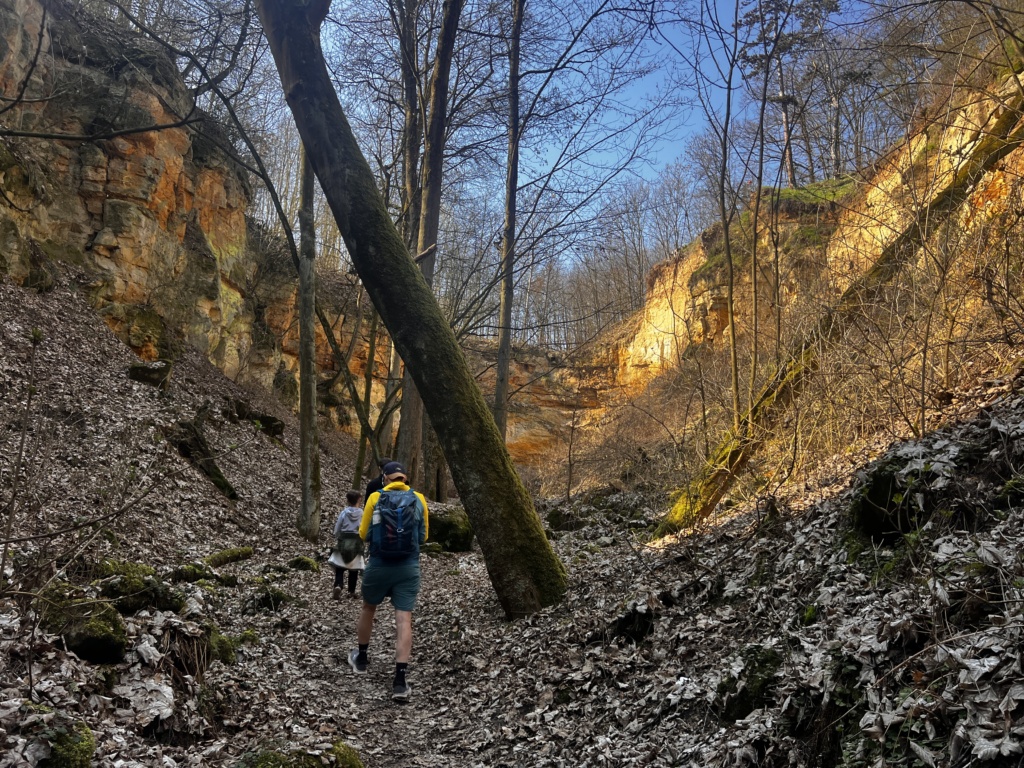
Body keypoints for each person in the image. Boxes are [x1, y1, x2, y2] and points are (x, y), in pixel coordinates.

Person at [348, 461, 428, 702]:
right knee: (404, 619)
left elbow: (364, 534)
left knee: (368, 608)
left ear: (385, 478)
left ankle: (361, 659)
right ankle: (400, 682)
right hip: (408, 567)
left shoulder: (375, 498)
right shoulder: (419, 499)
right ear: (404, 478)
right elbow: (423, 536)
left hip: (379, 564)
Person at [330, 490, 365, 600]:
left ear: (348, 500)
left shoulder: (344, 513)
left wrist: (337, 536)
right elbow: (364, 527)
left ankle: (338, 585)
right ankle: (351, 591)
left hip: (343, 541)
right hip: (356, 542)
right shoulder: (362, 513)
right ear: (359, 499)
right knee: (354, 568)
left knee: (339, 566)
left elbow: (337, 528)